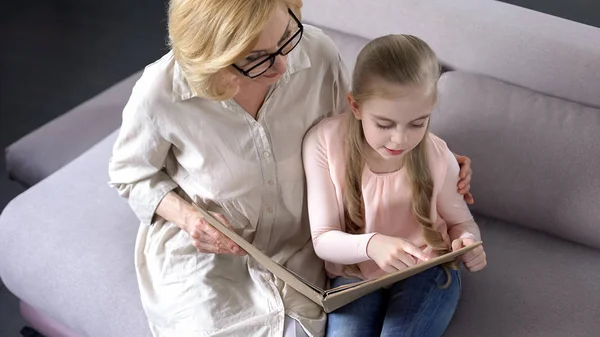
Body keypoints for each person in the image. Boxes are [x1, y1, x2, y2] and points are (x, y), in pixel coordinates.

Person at [107, 0, 474, 336]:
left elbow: (357, 129)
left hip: (302, 249)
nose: (283, 65)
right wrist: (188, 218)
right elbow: (129, 174)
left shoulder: (316, 53)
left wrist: (428, 158)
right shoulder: (162, 91)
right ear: (216, 58)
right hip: (213, 256)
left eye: (286, 36)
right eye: (256, 57)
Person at [302, 34, 487, 337]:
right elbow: (322, 239)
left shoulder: (436, 154)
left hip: (427, 269)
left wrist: (468, 244)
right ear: (355, 106)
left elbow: (461, 224)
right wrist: (372, 245)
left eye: (418, 123)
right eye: (385, 125)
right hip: (355, 274)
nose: (400, 140)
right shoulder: (323, 144)